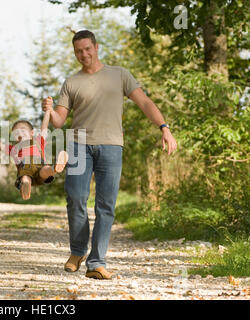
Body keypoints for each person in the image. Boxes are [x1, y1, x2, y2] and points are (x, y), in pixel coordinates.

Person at [42, 30, 177, 280]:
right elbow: (60, 121)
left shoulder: (119, 75)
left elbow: (145, 102)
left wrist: (164, 128)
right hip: (79, 144)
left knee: (106, 205)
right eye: (78, 51)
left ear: (96, 47)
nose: (83, 54)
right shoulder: (71, 82)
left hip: (112, 146)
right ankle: (78, 250)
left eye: (87, 49)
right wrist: (50, 112)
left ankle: (96, 261)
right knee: (75, 197)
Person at [0, 108, 68, 200]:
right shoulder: (14, 149)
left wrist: (48, 111)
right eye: (16, 132)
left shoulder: (38, 141)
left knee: (46, 170)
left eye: (22, 130)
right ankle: (26, 186)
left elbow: (44, 128)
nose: (19, 133)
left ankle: (55, 167)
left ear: (32, 133)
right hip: (25, 171)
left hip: (40, 168)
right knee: (25, 178)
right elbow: (0, 146)